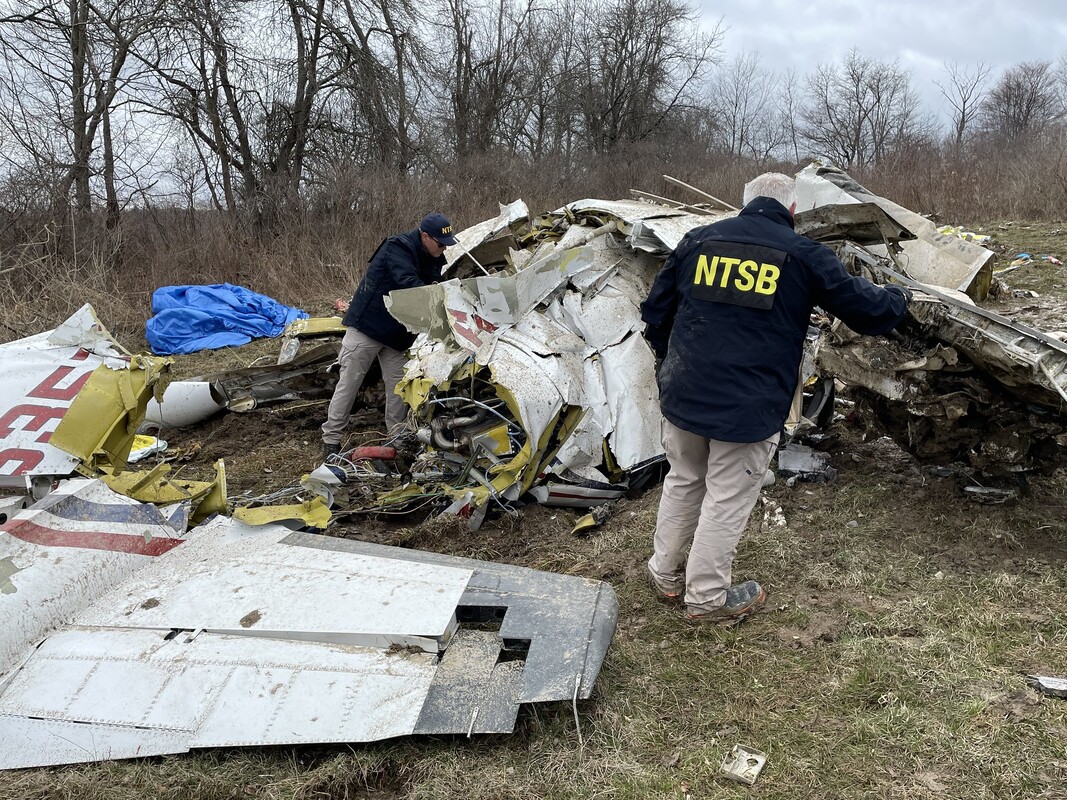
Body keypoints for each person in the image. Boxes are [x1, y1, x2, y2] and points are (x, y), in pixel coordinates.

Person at [640, 172, 910, 623]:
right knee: (726, 496)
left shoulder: (698, 241)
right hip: (748, 403)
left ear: (743, 202)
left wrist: (672, 367)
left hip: (684, 391)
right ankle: (706, 599)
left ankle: (664, 573)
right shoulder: (803, 254)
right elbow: (868, 311)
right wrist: (899, 297)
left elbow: (655, 314)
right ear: (792, 209)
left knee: (684, 478)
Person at [321, 212, 457, 459]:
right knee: (349, 382)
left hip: (398, 334)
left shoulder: (435, 256)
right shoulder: (398, 247)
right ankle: (331, 439)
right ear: (424, 236)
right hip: (368, 327)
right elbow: (408, 284)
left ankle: (397, 437)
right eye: (440, 243)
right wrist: (444, 297)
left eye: (446, 244)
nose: (443, 248)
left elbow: (433, 287)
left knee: (398, 388)